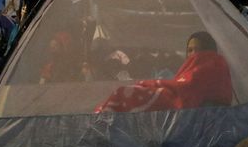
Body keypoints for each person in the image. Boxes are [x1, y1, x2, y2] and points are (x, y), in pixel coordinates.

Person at [95, 31, 232, 113]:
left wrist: (151, 85)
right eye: (190, 50)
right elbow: (179, 85)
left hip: (188, 105)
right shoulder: (193, 69)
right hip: (183, 101)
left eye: (198, 49)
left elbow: (186, 89)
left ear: (209, 51)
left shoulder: (213, 67)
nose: (194, 54)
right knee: (125, 92)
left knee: (126, 94)